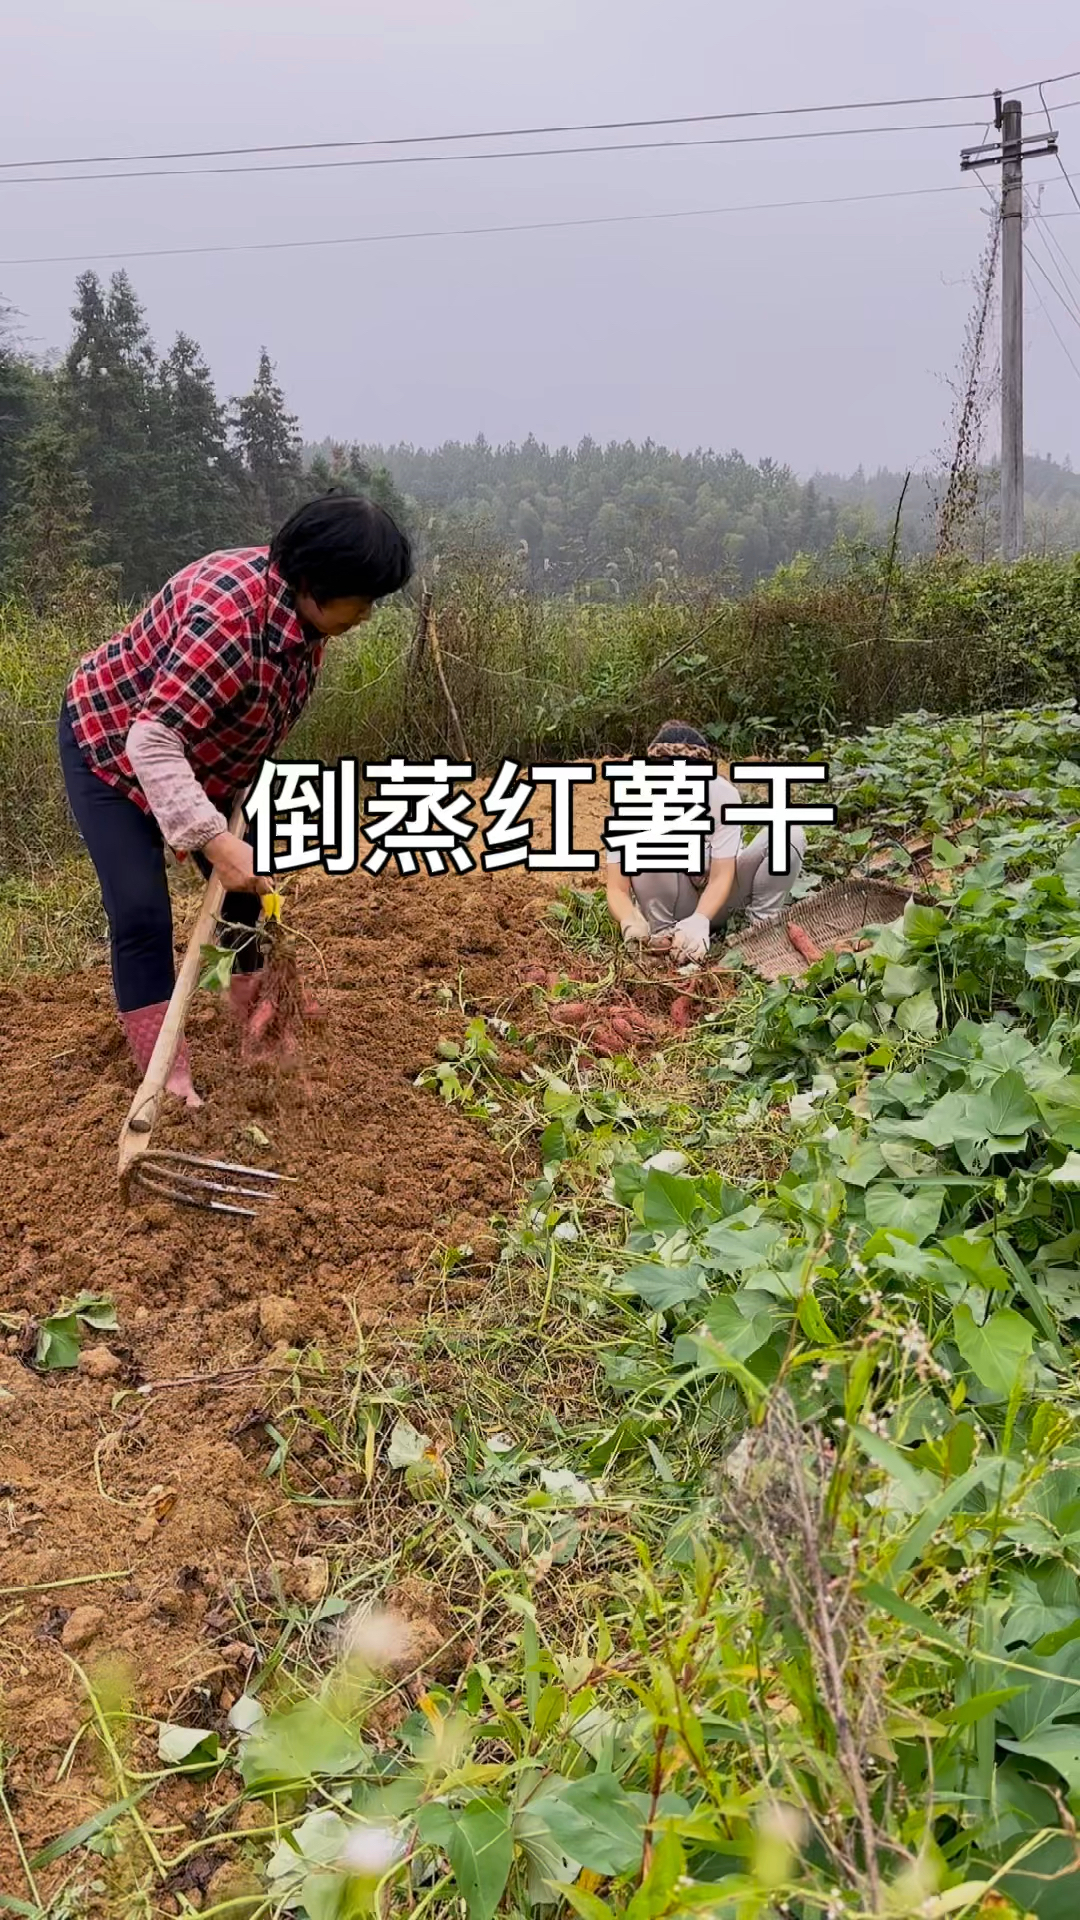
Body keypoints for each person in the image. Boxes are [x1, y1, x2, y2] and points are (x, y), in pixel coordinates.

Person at [59, 492, 413, 1106]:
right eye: (363, 596)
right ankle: (164, 1074)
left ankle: (252, 1017)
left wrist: (226, 819)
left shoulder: (303, 622)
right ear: (314, 581)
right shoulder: (228, 621)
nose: (369, 613)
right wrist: (213, 839)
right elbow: (153, 738)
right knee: (141, 914)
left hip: (202, 763)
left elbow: (247, 720)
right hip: (113, 749)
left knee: (246, 894)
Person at [605, 720, 806, 964]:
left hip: (719, 903)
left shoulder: (721, 795)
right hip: (669, 902)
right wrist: (629, 920)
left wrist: (700, 919)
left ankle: (761, 928)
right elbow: (617, 887)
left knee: (789, 833)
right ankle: (663, 936)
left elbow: (722, 875)